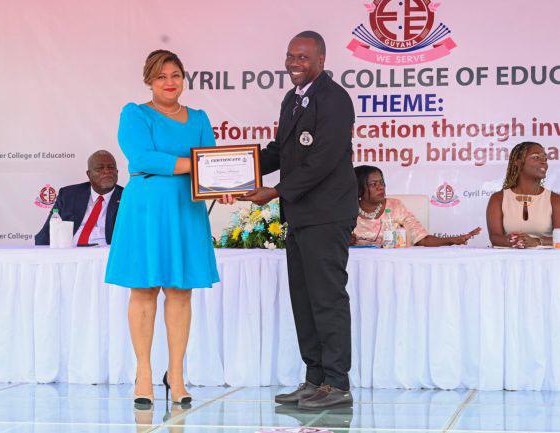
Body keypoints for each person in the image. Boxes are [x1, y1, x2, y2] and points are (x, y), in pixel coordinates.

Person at [237, 31, 356, 409]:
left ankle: (337, 385)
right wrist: (236, 169)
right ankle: (315, 379)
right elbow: (280, 152)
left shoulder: (335, 99)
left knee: (327, 299)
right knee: (303, 301)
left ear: (321, 59)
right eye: (290, 56)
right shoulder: (292, 99)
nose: (293, 63)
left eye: (302, 57)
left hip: (326, 215)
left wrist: (274, 191)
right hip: (301, 216)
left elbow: (323, 158)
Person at [105, 50, 219, 406]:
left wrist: (222, 185)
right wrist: (194, 166)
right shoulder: (135, 114)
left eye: (175, 75)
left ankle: (177, 375)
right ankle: (143, 374)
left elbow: (213, 165)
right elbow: (141, 158)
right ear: (149, 81)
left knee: (181, 291)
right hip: (146, 211)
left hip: (186, 209)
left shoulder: (199, 118)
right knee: (143, 291)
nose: (170, 83)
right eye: (161, 77)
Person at [352, 165, 481, 247]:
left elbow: (422, 239)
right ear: (359, 188)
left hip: (394, 266)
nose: (381, 187)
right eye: (374, 184)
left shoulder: (395, 206)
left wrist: (453, 240)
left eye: (382, 182)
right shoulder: (346, 209)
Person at [35, 150, 122, 246]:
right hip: (69, 253)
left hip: (107, 254)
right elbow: (47, 233)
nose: (106, 171)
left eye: (111, 167)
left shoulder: (127, 197)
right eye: (100, 168)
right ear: (89, 174)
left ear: (117, 172)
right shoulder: (68, 195)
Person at [487, 141, 559, 248]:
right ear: (518, 162)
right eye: (536, 157)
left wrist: (537, 241)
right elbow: (495, 237)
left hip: (547, 264)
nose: (543, 161)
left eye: (544, 158)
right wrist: (515, 241)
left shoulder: (555, 199)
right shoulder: (498, 199)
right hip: (508, 263)